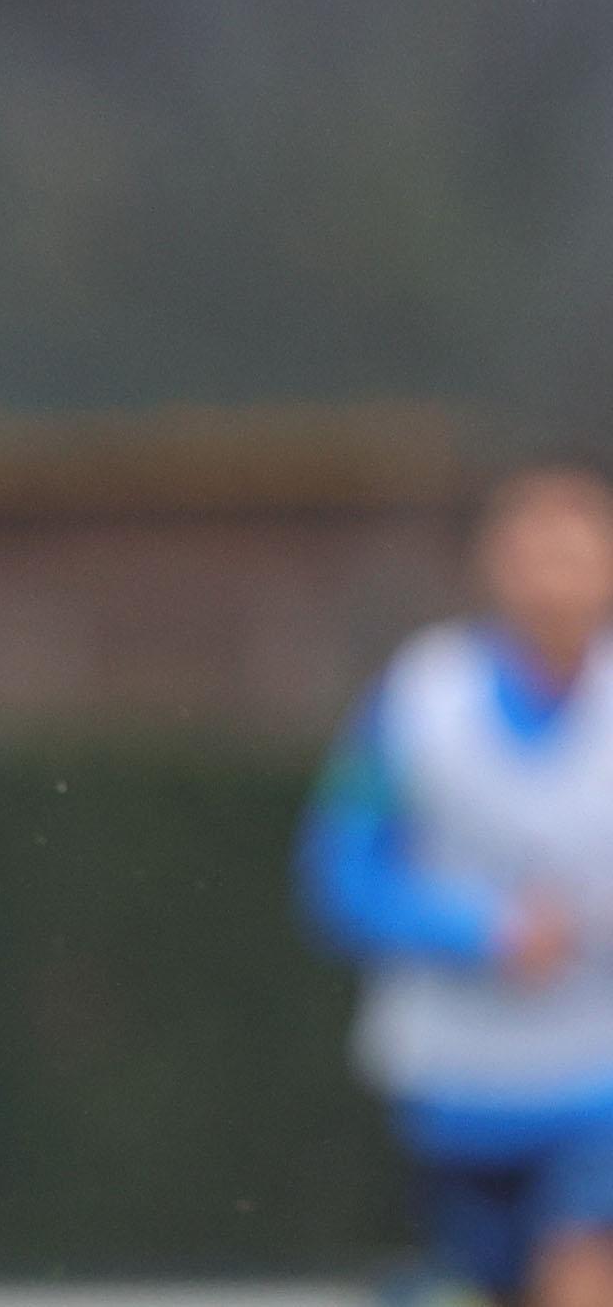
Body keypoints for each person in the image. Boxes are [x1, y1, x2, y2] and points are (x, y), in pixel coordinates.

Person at [301, 465, 613, 1307]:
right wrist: (482, 930)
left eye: (577, 550)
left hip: (599, 1088)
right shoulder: (419, 698)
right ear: (492, 563)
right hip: (452, 1087)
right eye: (535, 550)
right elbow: (339, 875)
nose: (557, 574)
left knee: (581, 1273)